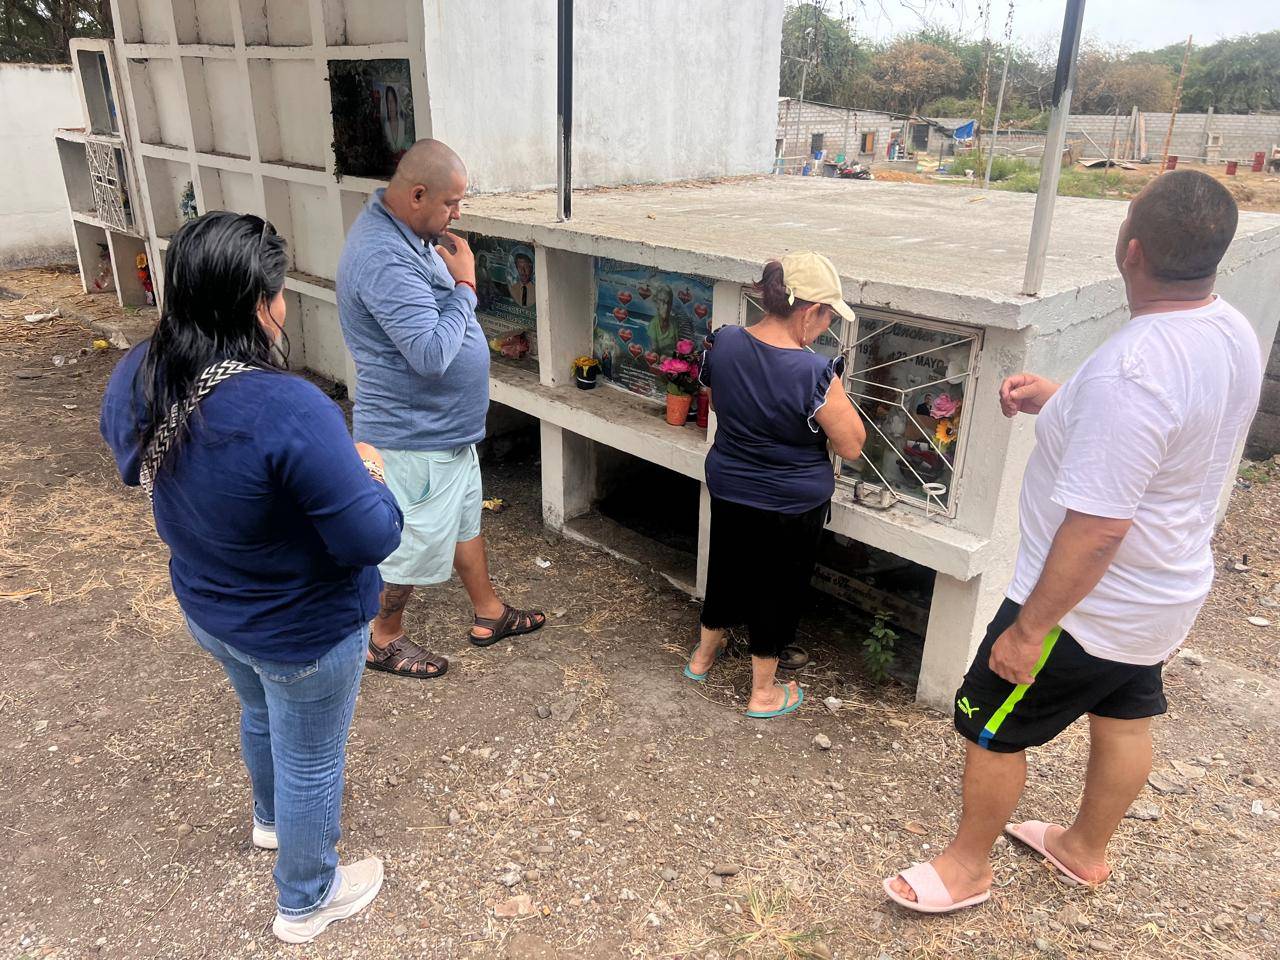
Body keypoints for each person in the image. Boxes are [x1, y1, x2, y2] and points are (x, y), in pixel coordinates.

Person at [885, 170, 1263, 913]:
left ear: (1131, 250)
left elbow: (1098, 529)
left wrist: (1030, 630)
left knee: (991, 724)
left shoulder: (1135, 368)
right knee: (1125, 712)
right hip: (1163, 589)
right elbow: (1167, 433)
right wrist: (1061, 404)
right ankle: (1083, 848)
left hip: (1086, 606)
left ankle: (966, 867)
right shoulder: (1229, 330)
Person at [100, 212, 403, 943]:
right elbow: (371, 538)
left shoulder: (142, 369)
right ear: (260, 304)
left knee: (261, 711)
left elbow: (130, 462)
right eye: (280, 291)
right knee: (311, 758)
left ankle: (271, 821)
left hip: (211, 607)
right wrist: (371, 474)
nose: (284, 305)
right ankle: (307, 898)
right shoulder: (286, 406)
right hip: (302, 629)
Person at [337, 139, 545, 679]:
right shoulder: (383, 256)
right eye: (451, 203)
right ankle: (381, 637)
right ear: (417, 195)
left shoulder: (411, 234)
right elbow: (430, 354)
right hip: (413, 438)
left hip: (443, 430)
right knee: (406, 545)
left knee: (461, 522)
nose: (458, 214)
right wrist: (467, 285)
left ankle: (489, 612)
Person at [684, 252, 866, 717]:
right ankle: (763, 693)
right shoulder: (814, 373)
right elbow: (851, 445)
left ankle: (702, 657)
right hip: (789, 502)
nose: (825, 328)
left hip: (729, 483)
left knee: (726, 567)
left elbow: (716, 399)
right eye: (827, 317)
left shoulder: (724, 341)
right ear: (810, 311)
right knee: (776, 589)